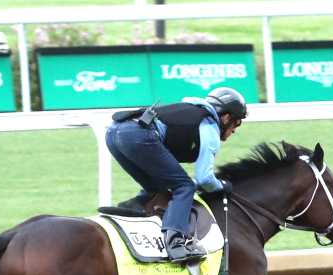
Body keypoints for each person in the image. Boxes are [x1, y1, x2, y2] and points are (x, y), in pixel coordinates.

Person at [100, 86, 247, 264]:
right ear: (226, 117)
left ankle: (134, 206)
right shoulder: (209, 126)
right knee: (184, 187)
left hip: (113, 133)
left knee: (157, 187)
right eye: (237, 123)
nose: (235, 130)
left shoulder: (192, 111)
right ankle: (175, 243)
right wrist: (223, 186)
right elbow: (205, 179)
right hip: (137, 136)